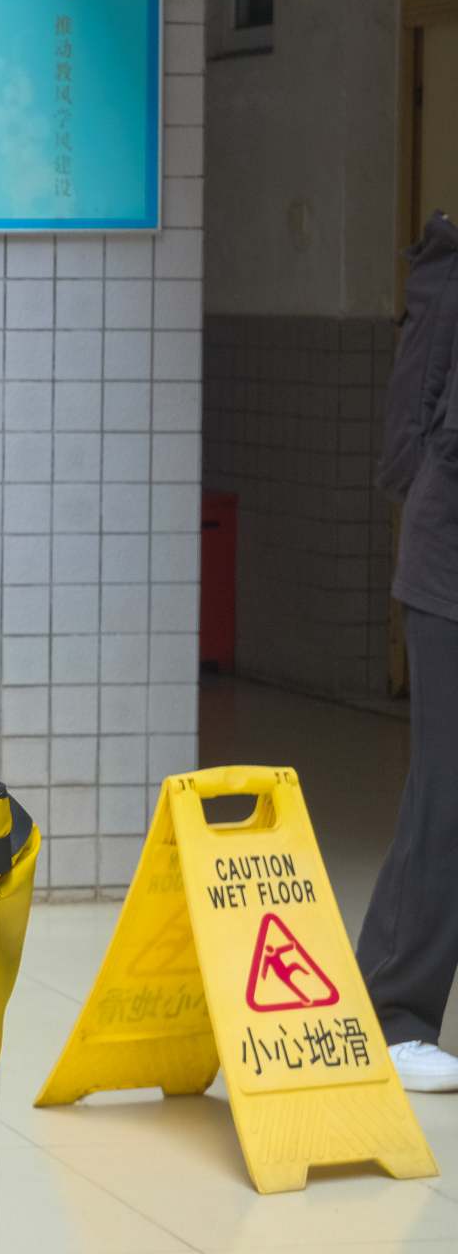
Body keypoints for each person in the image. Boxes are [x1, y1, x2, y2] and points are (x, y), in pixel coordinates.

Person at [363, 211, 458, 1093]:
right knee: (445, 792)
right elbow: (423, 445)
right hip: (448, 573)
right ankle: (392, 1013)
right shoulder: (450, 277)